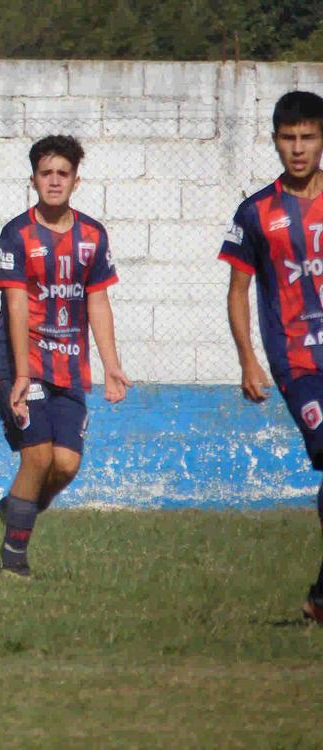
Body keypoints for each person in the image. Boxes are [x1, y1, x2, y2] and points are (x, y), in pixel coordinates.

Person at [0, 135, 132, 577]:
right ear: (33, 180)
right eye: (46, 173)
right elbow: (15, 305)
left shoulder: (93, 236)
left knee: (66, 464)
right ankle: (14, 562)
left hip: (70, 364)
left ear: (76, 180)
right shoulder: (17, 234)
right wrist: (20, 374)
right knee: (37, 458)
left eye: (63, 174)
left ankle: (17, 508)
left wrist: (111, 366)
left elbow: (97, 302)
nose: (54, 181)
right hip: (23, 361)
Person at [219, 90, 323, 624]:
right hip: (298, 362)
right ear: (276, 142)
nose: (298, 149)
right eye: (289, 138)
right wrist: (247, 360)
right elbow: (238, 290)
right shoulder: (256, 212)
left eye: (308, 137)